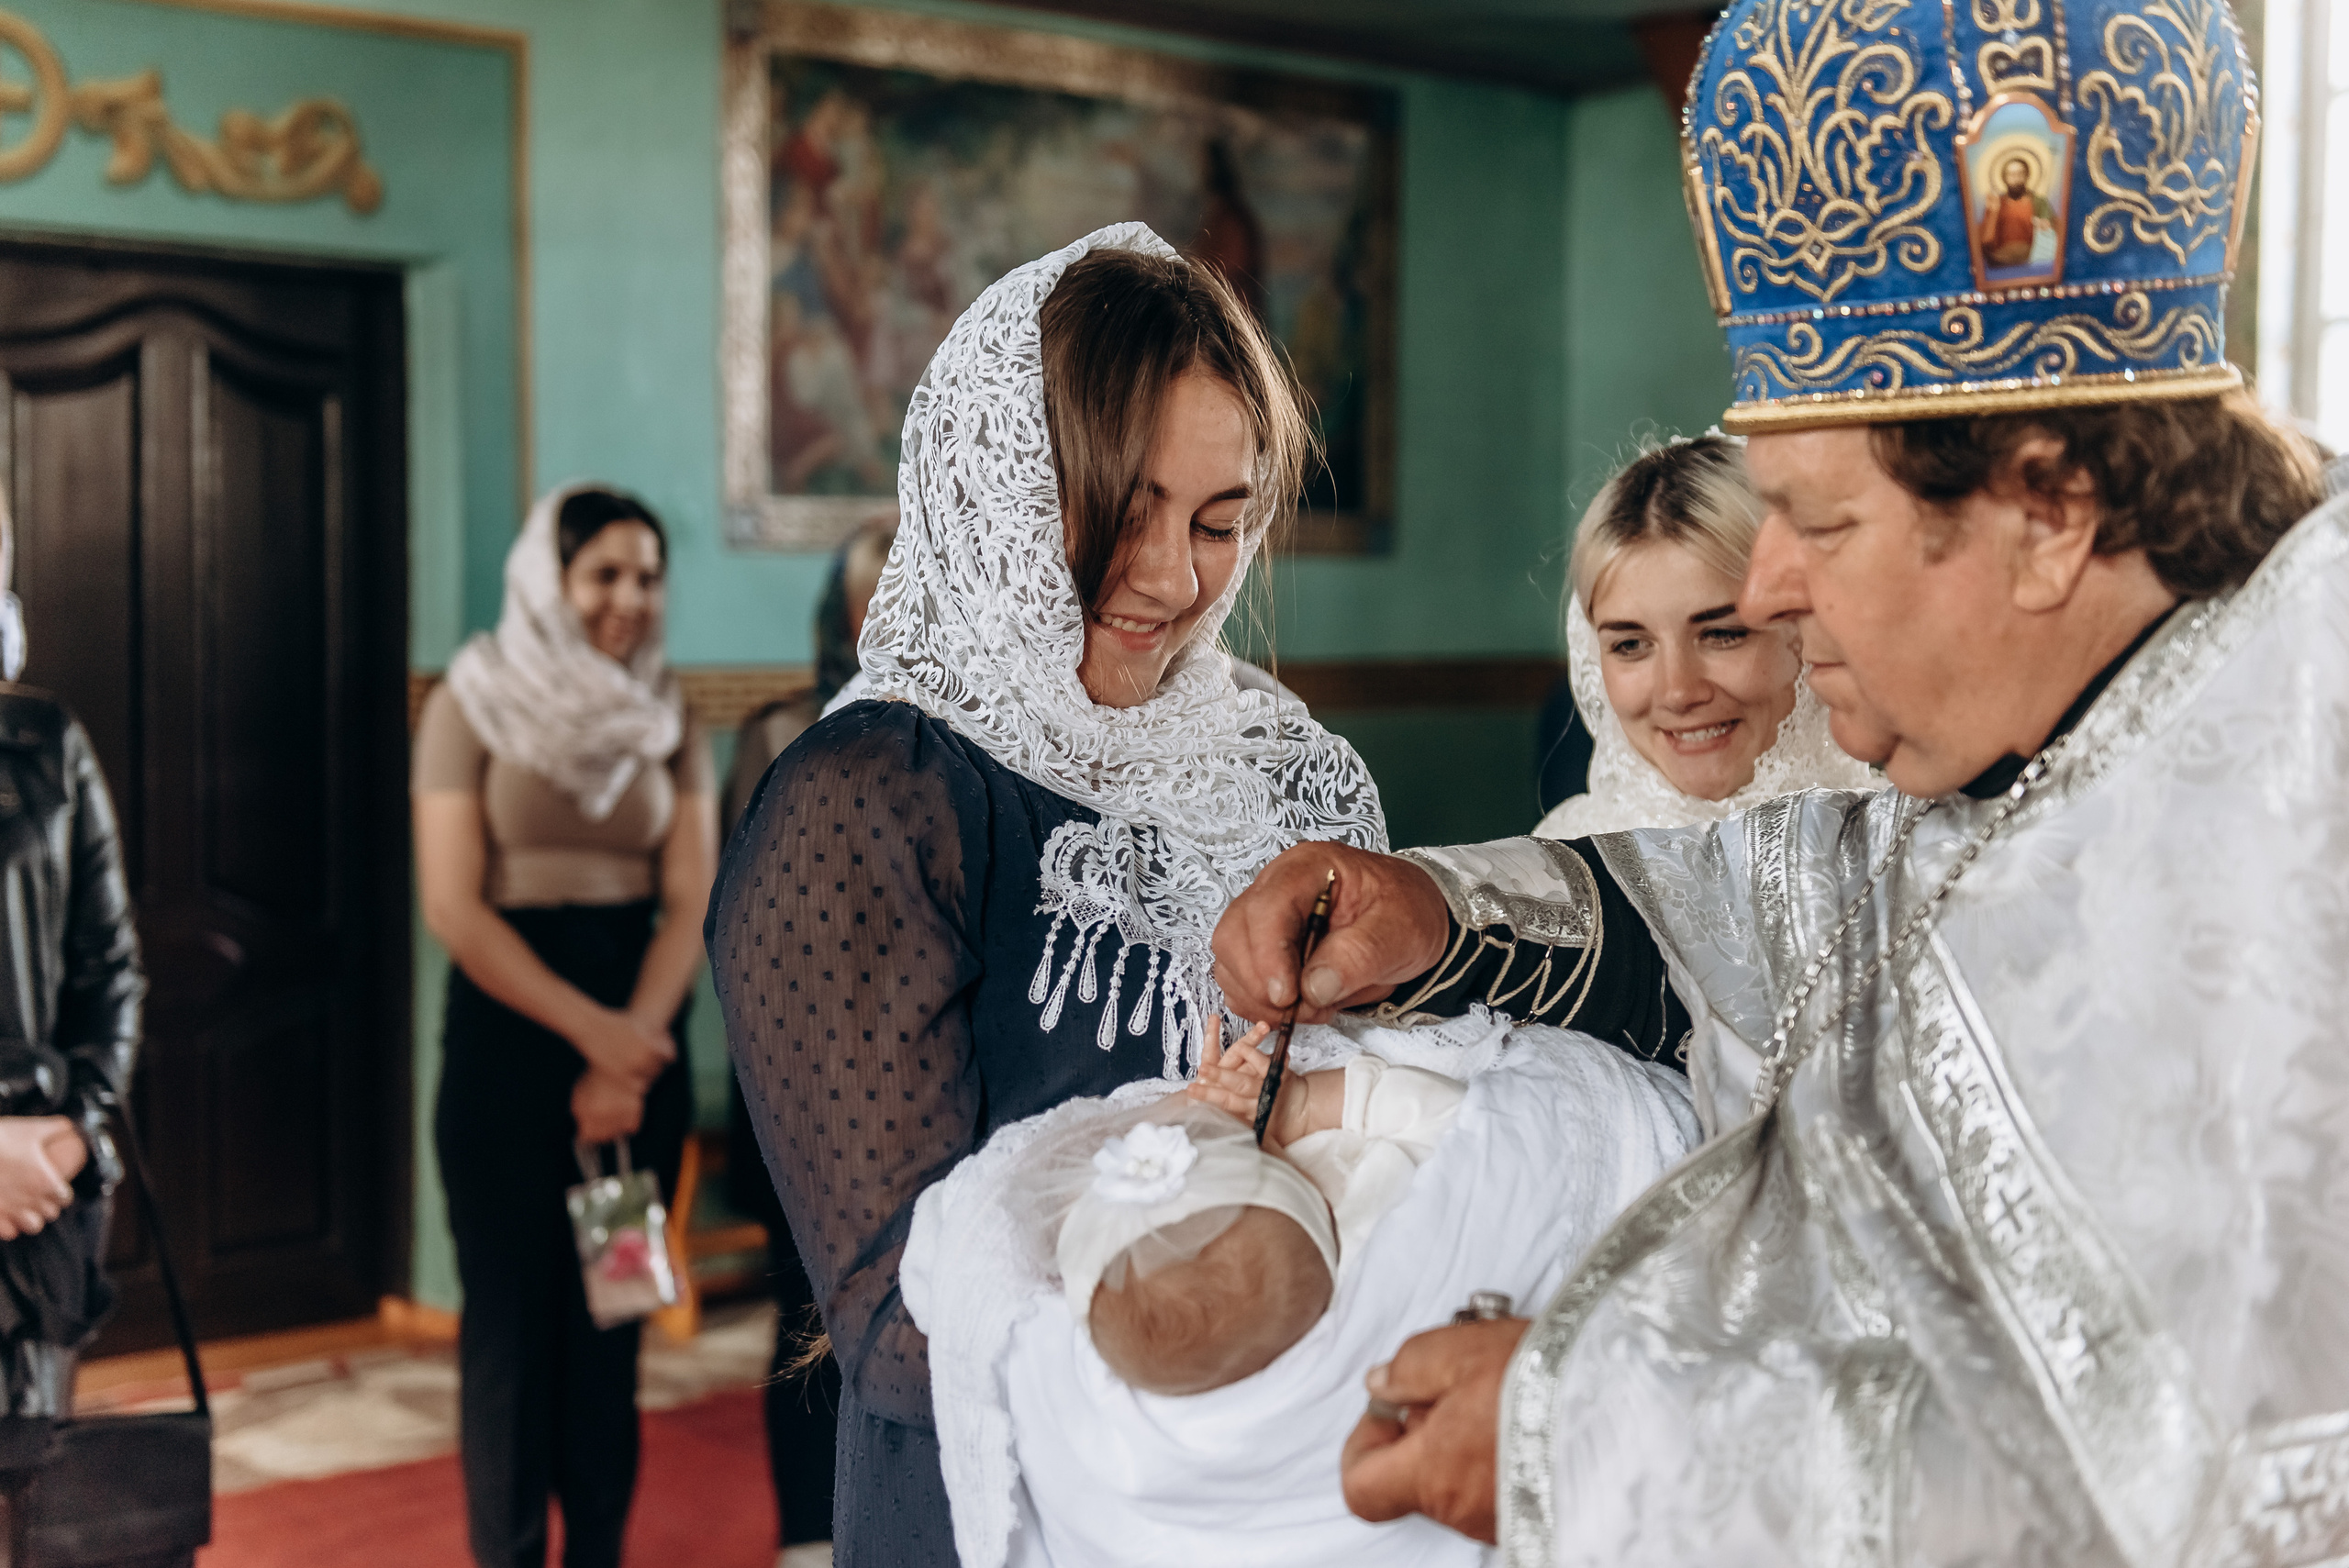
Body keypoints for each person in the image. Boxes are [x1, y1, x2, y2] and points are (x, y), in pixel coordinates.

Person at [1210, 0, 2349, 1555]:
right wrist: (1439, 911)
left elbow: (2231, 1487)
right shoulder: (2086, 705)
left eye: (1820, 517)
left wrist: (1585, 1436)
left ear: (2051, 506)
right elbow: (1793, 901)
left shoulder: (2305, 797)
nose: (1780, 582)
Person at [707, 223, 1387, 1567]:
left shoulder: (1290, 773)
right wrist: (1164, 1160)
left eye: (1219, 520)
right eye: (1125, 509)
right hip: (1006, 1515)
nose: (1176, 579)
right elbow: (904, 1326)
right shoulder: (873, 800)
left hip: (1297, 1495)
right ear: (1003, 494)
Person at [896, 1010, 1695, 1568]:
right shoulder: (1382, 1209)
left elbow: (961, 1251)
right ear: (1311, 1204)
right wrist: (1313, 1102)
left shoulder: (1123, 1390)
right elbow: (1466, 1126)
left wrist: (1189, 1114)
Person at [415, 483, 716, 1568]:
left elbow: (690, 895)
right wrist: (595, 1034)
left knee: (610, 1329)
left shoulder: (668, 710)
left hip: (638, 1061)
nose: (628, 598)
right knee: (508, 1336)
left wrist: (631, 1045)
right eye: (604, 574)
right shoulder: (470, 699)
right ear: (552, 578)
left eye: (647, 576)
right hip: (507, 1055)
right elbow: (453, 905)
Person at [719, 518, 895, 1559]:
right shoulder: (781, 727)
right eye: (868, 594)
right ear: (839, 610)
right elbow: (745, 917)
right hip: (800, 1070)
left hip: (907, 1055)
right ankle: (801, 1536)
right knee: (804, 1306)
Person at [1533, 436, 1869, 839]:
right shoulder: (1563, 857)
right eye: (1630, 645)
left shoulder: (1910, 845)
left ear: (1806, 626)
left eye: (1721, 635)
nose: (1678, 692)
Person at [0, 491, 142, 1418]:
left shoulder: (47, 742)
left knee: (30, 1507)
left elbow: (111, 969)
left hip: (42, 1186)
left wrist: (69, 1129)